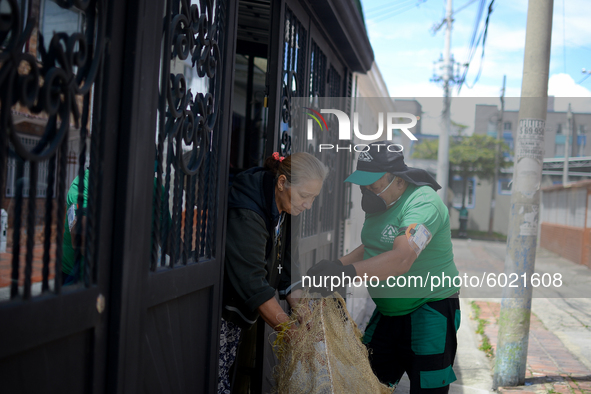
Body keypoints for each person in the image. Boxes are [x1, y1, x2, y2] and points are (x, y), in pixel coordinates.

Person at [307, 141, 461, 393]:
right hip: (389, 311)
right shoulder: (380, 202)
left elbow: (401, 258)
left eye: (374, 184)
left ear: (398, 180)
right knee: (367, 382)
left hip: (429, 309)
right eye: (363, 185)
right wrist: (337, 265)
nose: (367, 190)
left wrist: (346, 274)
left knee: (428, 388)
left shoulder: (423, 204)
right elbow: (374, 244)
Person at [218, 151, 328, 394]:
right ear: (281, 183)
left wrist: (305, 316)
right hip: (220, 311)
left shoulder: (285, 206)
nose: (307, 205)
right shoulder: (247, 211)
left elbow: (287, 265)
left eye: (313, 198)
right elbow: (252, 282)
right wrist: (293, 335)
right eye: (305, 196)